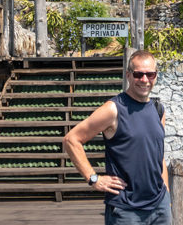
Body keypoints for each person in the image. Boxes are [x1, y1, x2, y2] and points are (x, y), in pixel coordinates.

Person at [63, 49, 171, 225]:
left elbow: (159, 156)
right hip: (126, 210)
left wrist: (166, 192)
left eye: (150, 74)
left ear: (156, 76)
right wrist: (93, 178)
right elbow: (71, 139)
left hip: (160, 207)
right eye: (138, 74)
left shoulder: (159, 110)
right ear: (128, 75)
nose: (144, 80)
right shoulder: (113, 109)